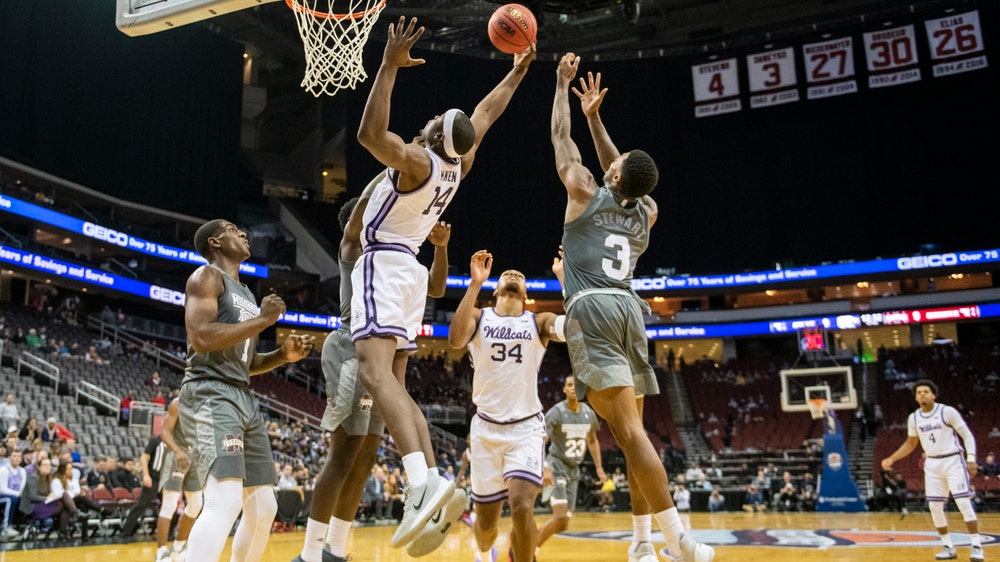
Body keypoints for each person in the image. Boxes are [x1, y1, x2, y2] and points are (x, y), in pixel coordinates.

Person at [353, 15, 534, 552]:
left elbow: (368, 135)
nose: (431, 118)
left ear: (434, 137)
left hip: (385, 261)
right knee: (396, 384)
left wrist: (387, 66)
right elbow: (486, 114)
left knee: (371, 369)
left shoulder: (416, 161)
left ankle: (418, 482)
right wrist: (520, 69)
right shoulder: (457, 164)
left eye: (434, 119)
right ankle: (429, 480)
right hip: (411, 269)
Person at [550, 53, 713, 562]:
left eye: (614, 168)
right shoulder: (649, 211)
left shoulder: (583, 190)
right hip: (630, 313)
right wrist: (597, 117)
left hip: (593, 309)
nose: (609, 165)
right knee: (633, 433)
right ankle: (642, 542)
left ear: (613, 178)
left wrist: (561, 87)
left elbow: (561, 140)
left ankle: (675, 540)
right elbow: (624, 173)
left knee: (629, 433)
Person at [293, 181, 455, 562]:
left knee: (365, 457)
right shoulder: (354, 249)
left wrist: (441, 248)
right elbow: (361, 217)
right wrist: (388, 177)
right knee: (344, 453)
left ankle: (334, 548)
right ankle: (310, 553)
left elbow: (435, 286)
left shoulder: (397, 258)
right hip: (353, 349)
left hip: (381, 352)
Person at [178, 218, 315, 562]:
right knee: (224, 500)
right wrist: (266, 321)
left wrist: (284, 355)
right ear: (215, 242)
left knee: (265, 506)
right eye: (232, 229)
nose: (243, 232)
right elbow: (202, 337)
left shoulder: (247, 294)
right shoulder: (206, 277)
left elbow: (248, 362)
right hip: (210, 391)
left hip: (242, 394)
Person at [448, 250, 564, 562]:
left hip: (526, 428)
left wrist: (566, 281)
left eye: (520, 276)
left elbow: (573, 328)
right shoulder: (479, 316)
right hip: (485, 429)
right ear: (496, 290)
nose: (513, 274)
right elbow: (456, 340)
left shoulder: (537, 322)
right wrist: (474, 285)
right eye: (506, 275)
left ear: (526, 293)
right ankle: (484, 555)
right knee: (485, 527)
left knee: (523, 505)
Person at [881, 379, 984, 562]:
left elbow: (967, 435)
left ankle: (976, 546)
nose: (922, 394)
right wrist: (892, 458)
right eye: (919, 392)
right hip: (932, 464)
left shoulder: (947, 411)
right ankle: (948, 546)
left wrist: (971, 459)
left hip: (953, 460)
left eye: (926, 391)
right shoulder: (914, 417)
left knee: (963, 503)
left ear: (934, 394)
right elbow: (911, 443)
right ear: (915, 397)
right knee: (935, 507)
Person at [536, 375, 606, 559]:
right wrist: (544, 467)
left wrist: (599, 467)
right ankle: (528, 552)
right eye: (569, 385)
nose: (573, 388)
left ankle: (527, 543)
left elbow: (592, 441)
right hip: (557, 465)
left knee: (564, 523)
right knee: (559, 517)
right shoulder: (556, 412)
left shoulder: (589, 413)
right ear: (564, 390)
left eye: (577, 385)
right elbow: (541, 440)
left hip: (574, 470)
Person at [157, 397, 204, 562]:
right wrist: (177, 451)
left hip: (195, 458)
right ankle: (161, 552)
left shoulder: (207, 405)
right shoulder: (178, 403)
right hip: (177, 455)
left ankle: (178, 547)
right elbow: (164, 432)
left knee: (196, 504)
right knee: (169, 505)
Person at [122, 434, 168, 537]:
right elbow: (144, 457)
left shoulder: (175, 441)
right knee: (142, 504)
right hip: (153, 477)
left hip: (166, 478)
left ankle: (168, 534)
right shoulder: (156, 441)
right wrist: (146, 475)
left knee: (169, 506)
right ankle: (126, 532)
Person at [0, 449, 26, 539]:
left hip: (15, 496)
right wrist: (18, 494)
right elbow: (2, 489)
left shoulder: (22, 471)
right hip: (2, 497)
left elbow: (22, 488)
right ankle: (6, 527)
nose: (17, 458)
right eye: (14, 456)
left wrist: (20, 494)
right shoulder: (3, 470)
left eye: (19, 456)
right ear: (9, 458)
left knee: (24, 500)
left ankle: (26, 526)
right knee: (10, 499)